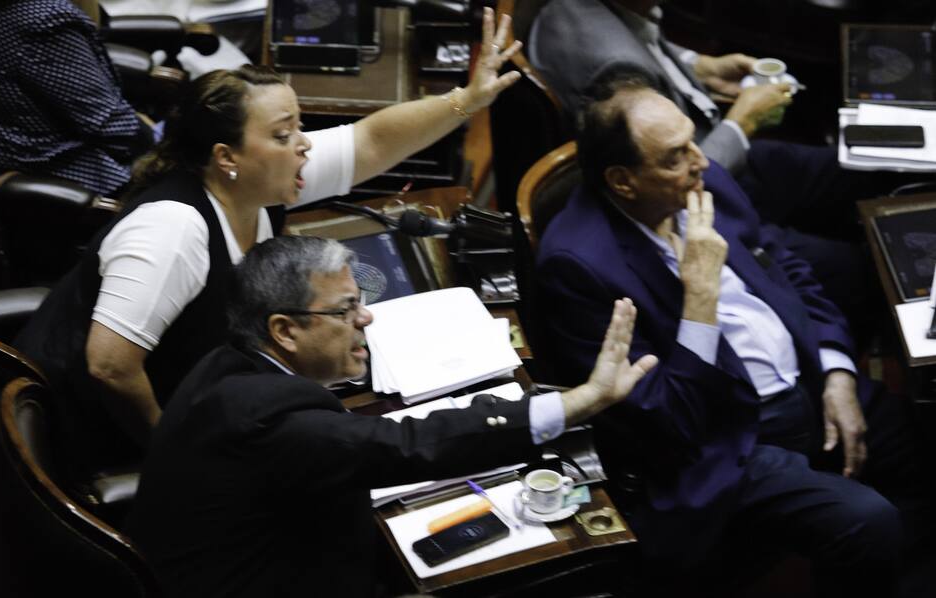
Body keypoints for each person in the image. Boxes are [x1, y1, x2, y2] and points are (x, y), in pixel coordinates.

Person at [14, 9, 524, 483]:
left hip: (203, 393)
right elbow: (109, 365)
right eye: (284, 134)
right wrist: (172, 453)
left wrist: (468, 99)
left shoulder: (260, 179)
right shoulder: (172, 229)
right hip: (91, 437)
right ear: (227, 156)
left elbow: (370, 142)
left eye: (299, 126)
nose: (304, 143)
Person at [535, 81, 932, 596]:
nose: (700, 160)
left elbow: (786, 267)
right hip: (730, 438)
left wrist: (836, 370)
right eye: (675, 156)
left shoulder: (701, 181)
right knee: (867, 523)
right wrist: (699, 295)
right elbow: (669, 420)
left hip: (810, 384)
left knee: (927, 444)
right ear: (622, 181)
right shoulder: (579, 265)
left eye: (692, 140)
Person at [124, 234, 657, 597]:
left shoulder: (224, 363)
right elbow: (408, 445)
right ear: (284, 330)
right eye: (344, 310)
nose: (366, 318)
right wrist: (577, 403)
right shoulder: (275, 424)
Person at [529, 0, 897, 342]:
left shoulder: (567, 10)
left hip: (711, 156)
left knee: (862, 165)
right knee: (863, 267)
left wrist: (699, 66)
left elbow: (643, 43)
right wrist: (744, 121)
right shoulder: (618, 69)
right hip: (709, 183)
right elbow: (680, 166)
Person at [0, 0, 155, 196]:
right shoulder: (41, 19)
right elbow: (111, 128)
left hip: (5, 159)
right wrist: (164, 145)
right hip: (75, 175)